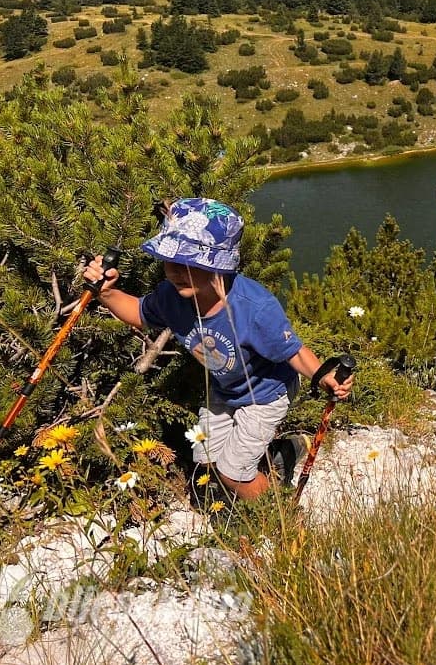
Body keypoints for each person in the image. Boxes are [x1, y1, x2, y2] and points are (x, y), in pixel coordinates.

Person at [83, 197, 353, 501]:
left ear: (219, 265)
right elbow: (139, 312)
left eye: (189, 262)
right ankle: (281, 451)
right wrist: (106, 293)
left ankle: (276, 514)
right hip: (224, 390)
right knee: (207, 458)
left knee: (232, 472)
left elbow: (294, 352)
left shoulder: (254, 307)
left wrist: (323, 376)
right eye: (170, 260)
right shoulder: (172, 298)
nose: (175, 270)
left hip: (265, 394)